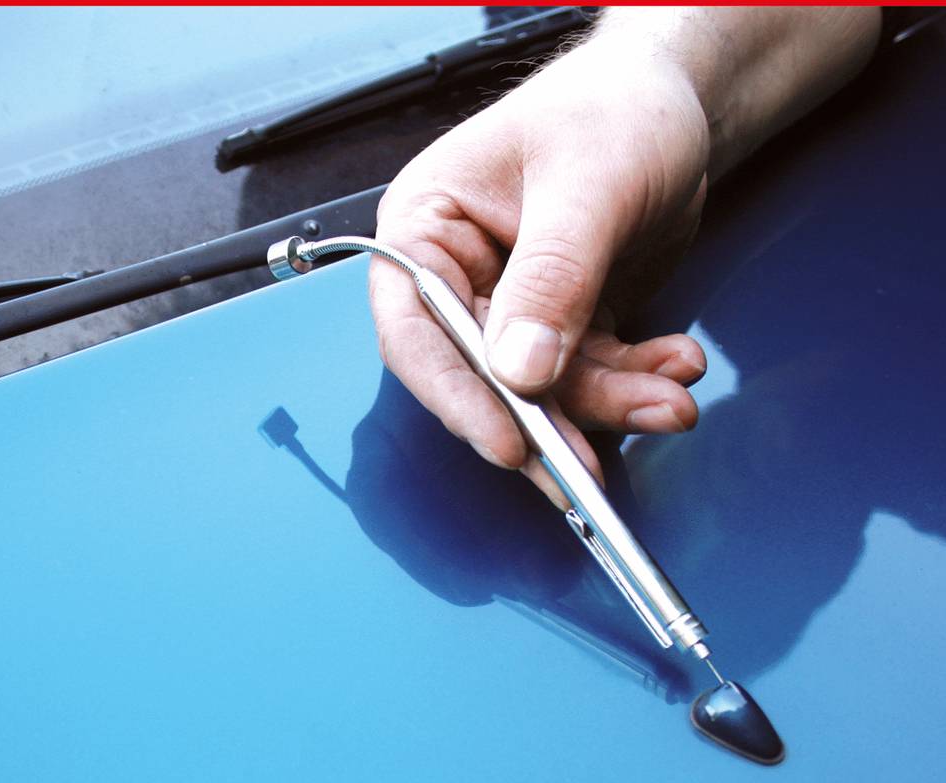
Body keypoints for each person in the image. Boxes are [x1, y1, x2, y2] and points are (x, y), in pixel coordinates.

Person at [368, 6, 882, 506]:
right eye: (741, 470)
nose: (779, 449)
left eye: (735, 468)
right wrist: (648, 66)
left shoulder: (744, 305)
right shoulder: (742, 309)